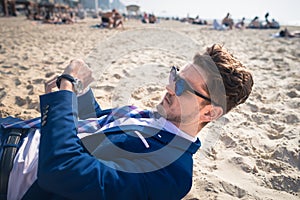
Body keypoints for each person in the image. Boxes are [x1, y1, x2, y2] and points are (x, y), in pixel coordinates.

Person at [0, 44, 253, 199]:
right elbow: (95, 125)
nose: (169, 86)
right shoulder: (156, 118)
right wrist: (82, 91)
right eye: (175, 74)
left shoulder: (171, 174)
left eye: (183, 86)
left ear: (209, 113)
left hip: (10, 168)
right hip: (16, 130)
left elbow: (62, 171)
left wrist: (63, 94)